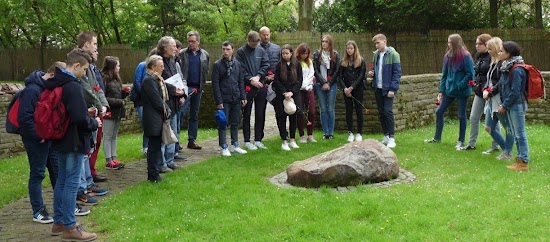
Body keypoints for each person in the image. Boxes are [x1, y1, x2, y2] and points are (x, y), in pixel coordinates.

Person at [50, 48, 98, 241]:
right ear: (76, 65)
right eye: (84, 69)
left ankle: (59, 221)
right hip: (73, 140)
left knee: (62, 180)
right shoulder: (72, 85)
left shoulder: (56, 81)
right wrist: (94, 122)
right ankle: (70, 226)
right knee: (71, 183)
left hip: (60, 139)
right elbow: (79, 118)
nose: (85, 73)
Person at [17, 63, 63, 223]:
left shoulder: (47, 88)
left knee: (56, 171)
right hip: (37, 140)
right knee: (37, 173)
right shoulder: (32, 90)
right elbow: (24, 117)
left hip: (49, 137)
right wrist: (38, 136)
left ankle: (63, 206)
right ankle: (38, 210)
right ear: (51, 74)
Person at [76, 31, 109, 207]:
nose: (96, 47)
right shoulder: (79, 62)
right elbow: (87, 89)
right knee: (83, 151)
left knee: (89, 148)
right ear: (86, 44)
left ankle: (88, 183)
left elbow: (97, 87)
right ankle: (82, 188)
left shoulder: (91, 65)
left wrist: (104, 105)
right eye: (95, 44)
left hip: (95, 109)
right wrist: (98, 105)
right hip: (86, 111)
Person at [425, 34, 474, 149]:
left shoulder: (466, 56)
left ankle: (461, 141)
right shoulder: (447, 56)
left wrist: (459, 84)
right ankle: (437, 137)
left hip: (462, 91)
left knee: (461, 115)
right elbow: (444, 74)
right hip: (449, 90)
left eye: (450, 43)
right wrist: (441, 90)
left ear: (456, 43)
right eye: (448, 43)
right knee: (439, 111)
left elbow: (470, 74)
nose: (448, 45)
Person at [460, 34, 500, 151]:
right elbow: (477, 73)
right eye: (476, 43)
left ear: (487, 44)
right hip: (479, 92)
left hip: (490, 93)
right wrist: (475, 84)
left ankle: (496, 145)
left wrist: (489, 90)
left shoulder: (493, 57)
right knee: (473, 117)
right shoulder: (478, 56)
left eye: (480, 44)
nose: (477, 46)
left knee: (493, 120)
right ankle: (471, 144)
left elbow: (494, 76)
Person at [497, 41, 530, 171]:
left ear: (509, 53)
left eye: (501, 51)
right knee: (516, 133)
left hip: (516, 105)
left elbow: (516, 91)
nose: (499, 53)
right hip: (510, 105)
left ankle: (524, 162)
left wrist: (505, 105)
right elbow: (503, 86)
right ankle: (519, 160)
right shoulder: (506, 67)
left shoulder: (517, 69)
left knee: (520, 133)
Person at [212, 41, 248, 156]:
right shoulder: (217, 65)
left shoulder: (237, 64)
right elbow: (215, 84)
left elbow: (241, 81)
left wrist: (243, 96)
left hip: (236, 97)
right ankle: (223, 146)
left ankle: (235, 144)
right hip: (224, 98)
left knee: (235, 122)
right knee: (223, 123)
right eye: (223, 49)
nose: (225, 52)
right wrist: (219, 101)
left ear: (233, 50)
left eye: (228, 49)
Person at [236, 31, 270, 150]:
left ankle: (258, 139)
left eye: (256, 43)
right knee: (247, 114)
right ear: (248, 40)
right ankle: (246, 140)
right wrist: (250, 79)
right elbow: (240, 68)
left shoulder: (261, 50)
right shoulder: (241, 52)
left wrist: (259, 76)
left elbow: (266, 65)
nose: (255, 45)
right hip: (247, 87)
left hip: (260, 85)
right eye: (252, 43)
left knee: (260, 113)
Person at [483, 37, 514, 160]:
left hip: (499, 99)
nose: (488, 51)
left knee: (507, 127)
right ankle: (506, 150)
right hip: (491, 99)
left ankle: (507, 152)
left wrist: (490, 92)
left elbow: (501, 83)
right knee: (488, 127)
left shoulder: (502, 64)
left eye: (490, 49)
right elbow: (490, 80)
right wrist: (485, 89)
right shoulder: (493, 62)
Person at [368, 34, 401, 148]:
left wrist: (392, 88)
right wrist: (373, 73)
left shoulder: (394, 55)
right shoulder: (376, 55)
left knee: (388, 111)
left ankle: (392, 138)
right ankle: (386, 135)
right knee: (381, 112)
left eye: (378, 43)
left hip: (388, 89)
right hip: (378, 87)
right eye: (375, 43)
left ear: (384, 41)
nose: (376, 45)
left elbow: (397, 73)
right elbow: (376, 69)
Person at [156, 36, 184, 172]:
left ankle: (169, 160)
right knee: (164, 135)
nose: (176, 48)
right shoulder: (157, 62)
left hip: (174, 103)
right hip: (164, 104)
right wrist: (175, 91)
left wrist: (181, 94)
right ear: (164, 47)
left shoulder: (172, 61)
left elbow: (176, 79)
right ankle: (161, 163)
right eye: (173, 46)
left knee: (172, 133)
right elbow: (159, 81)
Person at [179, 31, 210, 150]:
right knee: (181, 113)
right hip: (185, 88)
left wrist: (200, 86)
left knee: (194, 115)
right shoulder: (182, 54)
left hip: (198, 88)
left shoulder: (205, 55)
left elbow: (205, 71)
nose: (191, 44)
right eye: (189, 41)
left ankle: (192, 140)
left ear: (198, 41)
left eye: (193, 41)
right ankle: (175, 142)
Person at [141, 55, 168, 181]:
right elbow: (156, 100)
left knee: (156, 146)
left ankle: (154, 172)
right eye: (160, 66)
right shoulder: (149, 80)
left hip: (157, 117)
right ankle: (153, 174)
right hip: (152, 118)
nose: (163, 68)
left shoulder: (155, 79)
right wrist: (166, 110)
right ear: (153, 67)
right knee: (153, 147)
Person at [273, 44, 303, 150]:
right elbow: (276, 81)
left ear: (291, 53)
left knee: (293, 117)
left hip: (294, 94)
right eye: (283, 53)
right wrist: (284, 93)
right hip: (282, 95)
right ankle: (284, 141)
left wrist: (292, 92)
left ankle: (292, 140)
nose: (285, 55)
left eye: (287, 53)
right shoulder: (278, 65)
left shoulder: (297, 64)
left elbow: (299, 80)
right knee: (281, 117)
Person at [102, 56, 129, 169]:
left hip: (117, 111)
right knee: (108, 136)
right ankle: (108, 160)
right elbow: (103, 97)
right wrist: (119, 101)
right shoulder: (105, 79)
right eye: (117, 65)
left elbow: (116, 95)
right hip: (109, 112)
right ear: (112, 67)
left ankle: (114, 158)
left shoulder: (116, 79)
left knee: (114, 136)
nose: (119, 67)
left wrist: (124, 93)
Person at [337, 40, 366, 142]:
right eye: (348, 48)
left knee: (359, 110)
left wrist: (352, 87)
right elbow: (339, 77)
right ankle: (350, 132)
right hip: (346, 90)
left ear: (355, 49)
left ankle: (359, 133)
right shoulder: (343, 62)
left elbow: (361, 76)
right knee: (349, 110)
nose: (349, 50)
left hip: (357, 89)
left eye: (351, 48)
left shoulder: (361, 61)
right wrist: (345, 88)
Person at [313, 35, 340, 140]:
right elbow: (315, 70)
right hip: (320, 84)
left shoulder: (335, 55)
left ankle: (331, 132)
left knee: (330, 108)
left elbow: (337, 71)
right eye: (322, 41)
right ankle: (326, 133)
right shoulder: (316, 54)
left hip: (332, 84)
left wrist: (329, 83)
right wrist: (323, 82)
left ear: (330, 43)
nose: (323, 43)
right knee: (323, 108)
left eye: (326, 42)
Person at [132, 49, 157, 156]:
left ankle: (149, 146)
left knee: (150, 122)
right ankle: (145, 147)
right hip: (141, 100)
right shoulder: (142, 65)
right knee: (146, 123)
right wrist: (144, 94)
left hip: (150, 100)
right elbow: (137, 81)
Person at [295, 43, 317, 143]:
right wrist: (303, 86)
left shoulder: (309, 62)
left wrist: (308, 86)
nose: (304, 56)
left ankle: (310, 134)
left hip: (309, 88)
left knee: (311, 111)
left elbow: (311, 74)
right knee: (300, 112)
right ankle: (302, 135)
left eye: (306, 54)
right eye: (303, 54)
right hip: (299, 90)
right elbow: (298, 77)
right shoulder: (296, 62)